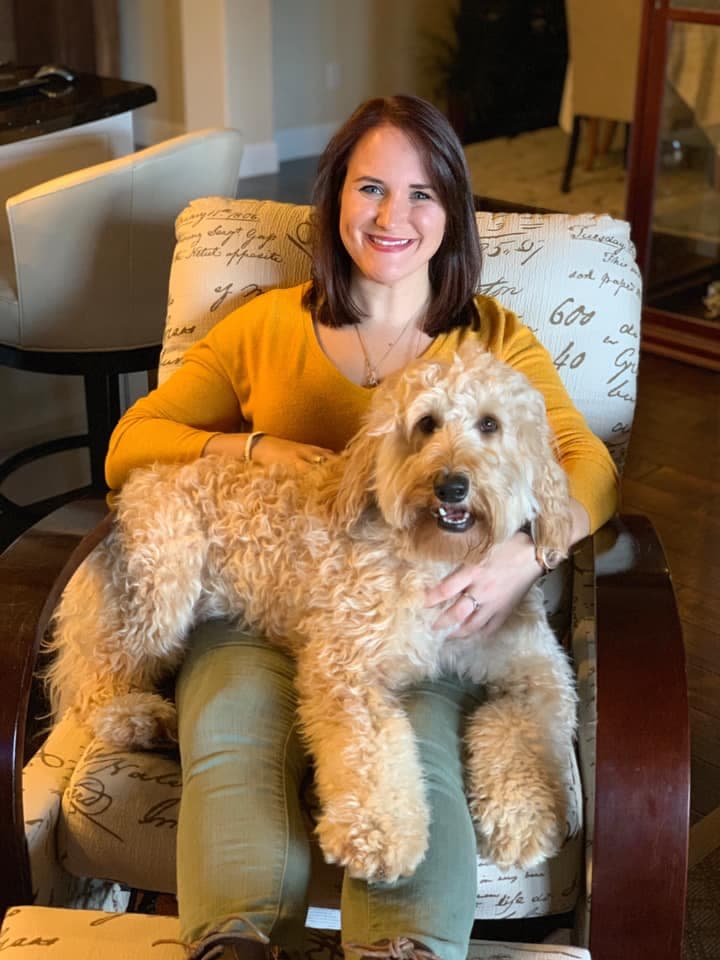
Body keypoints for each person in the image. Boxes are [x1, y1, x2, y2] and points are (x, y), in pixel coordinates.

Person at [105, 95, 618, 960]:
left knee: (420, 739)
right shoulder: (265, 322)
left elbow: (588, 467)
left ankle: (407, 948)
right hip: (257, 601)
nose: (392, 216)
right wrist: (256, 447)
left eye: (421, 194)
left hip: (424, 594)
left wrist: (524, 557)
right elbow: (132, 443)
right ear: (336, 198)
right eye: (371, 187)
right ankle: (230, 944)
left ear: (451, 213)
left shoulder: (494, 339)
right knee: (231, 728)